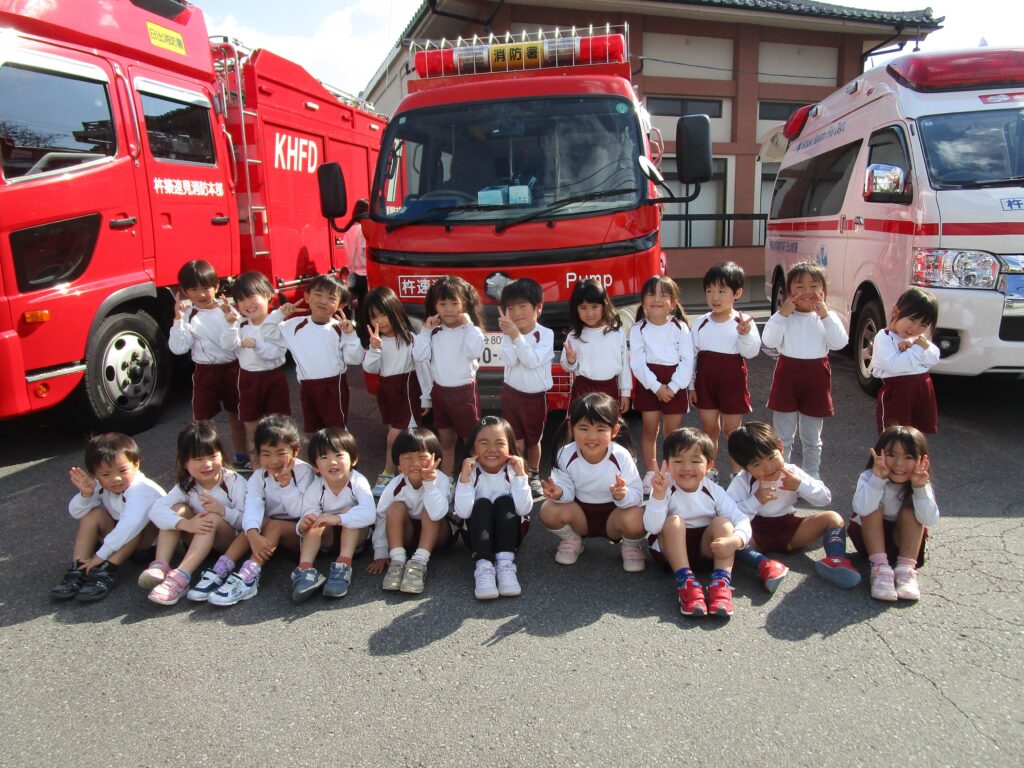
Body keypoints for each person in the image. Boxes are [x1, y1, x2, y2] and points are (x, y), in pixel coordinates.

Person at [726, 421, 860, 593]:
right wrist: (756, 500)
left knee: (832, 518)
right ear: (746, 468)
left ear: (780, 447)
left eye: (771, 457)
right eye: (756, 464)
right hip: (754, 532)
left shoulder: (791, 472)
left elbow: (825, 498)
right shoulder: (742, 480)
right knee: (729, 535)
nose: (768, 467)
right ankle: (765, 565)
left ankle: (836, 560)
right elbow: (728, 514)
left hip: (789, 529)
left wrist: (800, 485)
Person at [643, 428, 752, 617]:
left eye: (695, 461)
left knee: (723, 523)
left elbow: (741, 519)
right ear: (666, 464)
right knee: (674, 521)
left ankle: (721, 584)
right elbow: (652, 527)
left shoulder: (714, 490)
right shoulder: (663, 487)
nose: (686, 467)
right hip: (671, 552)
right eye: (678, 461)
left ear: (709, 465)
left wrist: (736, 541)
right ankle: (686, 582)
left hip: (705, 551)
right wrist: (658, 496)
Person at [208, 415, 314, 606]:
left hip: (301, 533)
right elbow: (253, 506)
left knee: (272, 524)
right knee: (255, 524)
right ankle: (220, 569)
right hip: (270, 538)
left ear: (295, 450)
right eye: (266, 454)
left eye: (280, 453)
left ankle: (248, 576)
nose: (273, 461)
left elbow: (299, 510)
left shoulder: (304, 472)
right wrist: (252, 534)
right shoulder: (258, 476)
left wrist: (286, 485)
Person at [49, 433, 165, 602]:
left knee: (131, 527)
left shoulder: (142, 489)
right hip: (118, 541)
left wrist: (99, 557)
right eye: (105, 474)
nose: (115, 479)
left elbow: (129, 527)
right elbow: (76, 513)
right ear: (95, 474)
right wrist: (86, 495)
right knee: (92, 514)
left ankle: (106, 570)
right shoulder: (99, 485)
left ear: (136, 464)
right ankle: (79, 568)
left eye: (123, 471)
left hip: (147, 546)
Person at [144, 421, 248, 606]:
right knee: (175, 510)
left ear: (222, 455)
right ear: (184, 463)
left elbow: (248, 521)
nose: (207, 464)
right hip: (198, 540)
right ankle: (160, 566)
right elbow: (156, 510)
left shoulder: (233, 481)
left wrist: (222, 511)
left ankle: (180, 577)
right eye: (198, 459)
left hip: (228, 542)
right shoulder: (187, 485)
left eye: (212, 456)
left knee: (210, 518)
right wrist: (186, 524)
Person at [539, 392, 646, 572]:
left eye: (600, 429)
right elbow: (565, 490)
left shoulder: (621, 456)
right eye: (583, 428)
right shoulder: (565, 454)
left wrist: (623, 495)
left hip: (614, 516)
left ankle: (630, 547)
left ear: (614, 431)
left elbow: (637, 495)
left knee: (637, 516)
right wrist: (558, 492)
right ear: (571, 428)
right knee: (548, 509)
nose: (592, 437)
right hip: (580, 516)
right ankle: (572, 540)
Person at [761, 261, 848, 480]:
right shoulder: (784, 316)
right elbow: (769, 340)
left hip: (816, 377)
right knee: (783, 435)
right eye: (799, 287)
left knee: (811, 437)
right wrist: (783, 313)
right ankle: (782, 474)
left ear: (823, 290)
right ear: (789, 291)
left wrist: (825, 315)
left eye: (813, 286)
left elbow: (839, 343)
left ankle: (811, 476)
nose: (807, 292)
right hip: (787, 375)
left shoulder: (827, 317)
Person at [169, 259, 248, 466]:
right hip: (205, 372)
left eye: (206, 288)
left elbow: (238, 342)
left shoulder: (229, 310)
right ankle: (208, 460)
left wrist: (232, 321)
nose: (201, 294)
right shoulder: (187, 315)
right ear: (185, 291)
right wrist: (178, 320)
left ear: (216, 286)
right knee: (202, 422)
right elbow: (178, 348)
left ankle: (242, 456)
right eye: (194, 289)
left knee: (237, 416)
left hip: (233, 369)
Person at [263, 274, 364, 433]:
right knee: (316, 431)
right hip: (307, 386)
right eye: (318, 294)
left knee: (337, 432)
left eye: (331, 298)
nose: (323, 301)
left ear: (341, 305)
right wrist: (280, 313)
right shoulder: (293, 325)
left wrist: (351, 335)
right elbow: (266, 332)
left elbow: (355, 359)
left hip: (333, 385)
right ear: (307, 297)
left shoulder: (340, 329)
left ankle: (344, 450)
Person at [357, 285, 431, 497]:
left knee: (395, 437)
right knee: (403, 437)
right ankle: (411, 474)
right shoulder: (375, 341)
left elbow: (423, 368)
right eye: (373, 317)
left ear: (395, 311)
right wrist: (375, 348)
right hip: (387, 392)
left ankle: (389, 473)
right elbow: (370, 368)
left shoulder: (409, 338)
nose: (379, 321)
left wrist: (426, 397)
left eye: (383, 314)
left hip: (406, 390)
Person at [690, 262, 761, 481]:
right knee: (709, 428)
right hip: (705, 383)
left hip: (733, 383)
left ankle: (737, 473)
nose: (715, 297)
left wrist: (744, 334)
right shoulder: (700, 323)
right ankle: (709, 470)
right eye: (709, 291)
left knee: (732, 430)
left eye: (722, 291)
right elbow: (691, 356)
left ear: (737, 293)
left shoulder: (743, 322)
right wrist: (691, 386)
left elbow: (751, 352)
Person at [850, 425, 938, 602]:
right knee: (872, 508)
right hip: (871, 540)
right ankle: (880, 570)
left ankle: (906, 571)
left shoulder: (921, 481)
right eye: (891, 455)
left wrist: (919, 488)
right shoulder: (869, 476)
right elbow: (861, 509)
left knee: (910, 511)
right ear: (879, 454)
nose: (899, 463)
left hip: (905, 543)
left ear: (921, 459)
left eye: (908, 457)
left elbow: (929, 519)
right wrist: (877, 480)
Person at [290, 428, 375, 603]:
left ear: (354, 459)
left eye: (339, 455)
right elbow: (306, 512)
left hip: (356, 539)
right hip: (327, 540)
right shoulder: (316, 486)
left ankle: (343, 566)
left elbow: (370, 513)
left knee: (349, 513)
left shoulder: (358, 481)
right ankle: (305, 570)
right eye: (324, 457)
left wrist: (338, 519)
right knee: (314, 520)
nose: (332, 462)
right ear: (316, 466)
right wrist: (303, 524)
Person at [412, 276, 485, 479]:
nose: (449, 309)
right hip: (440, 393)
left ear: (465, 304)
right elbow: (419, 356)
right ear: (434, 306)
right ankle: (448, 479)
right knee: (445, 441)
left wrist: (469, 326)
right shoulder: (433, 332)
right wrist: (425, 330)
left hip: (464, 393)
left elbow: (474, 351)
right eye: (442, 304)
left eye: (454, 303)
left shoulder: (472, 331)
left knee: (471, 441)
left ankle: (476, 479)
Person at [453, 416, 533, 600]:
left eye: (499, 443)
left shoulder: (513, 470)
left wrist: (521, 475)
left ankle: (505, 565)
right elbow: (463, 513)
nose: (491, 449)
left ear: (510, 447)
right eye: (484, 443)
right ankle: (483, 566)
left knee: (504, 502)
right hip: (477, 538)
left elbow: (523, 509)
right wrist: (464, 478)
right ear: (473, 449)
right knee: (482, 504)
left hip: (510, 536)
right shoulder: (470, 471)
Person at [629, 276, 693, 494]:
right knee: (650, 430)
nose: (656, 299)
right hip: (649, 384)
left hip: (675, 383)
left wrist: (673, 387)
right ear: (643, 301)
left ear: (673, 303)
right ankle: (651, 473)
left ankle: (671, 473)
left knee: (672, 433)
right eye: (651, 294)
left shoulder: (681, 327)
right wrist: (656, 387)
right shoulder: (638, 329)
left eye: (663, 295)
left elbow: (687, 361)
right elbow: (637, 363)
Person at [370, 428, 451, 595]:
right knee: (395, 507)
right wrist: (381, 551)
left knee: (429, 510)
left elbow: (437, 514)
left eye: (422, 457)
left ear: (435, 459)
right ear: (398, 464)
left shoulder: (441, 480)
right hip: (408, 535)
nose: (415, 463)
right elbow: (382, 515)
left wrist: (429, 484)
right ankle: (398, 561)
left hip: (438, 535)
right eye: (407, 458)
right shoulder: (395, 484)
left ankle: (419, 563)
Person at [221, 271, 290, 467]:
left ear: (267, 295)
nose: (247, 304)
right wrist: (230, 324)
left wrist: (257, 345)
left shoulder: (277, 324)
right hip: (247, 380)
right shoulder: (240, 324)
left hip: (274, 379)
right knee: (252, 428)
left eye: (252, 297)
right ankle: (258, 471)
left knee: (280, 428)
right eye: (241, 300)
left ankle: (285, 467)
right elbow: (227, 346)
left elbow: (277, 353)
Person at [497, 278, 553, 498]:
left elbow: (531, 361)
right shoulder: (508, 334)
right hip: (511, 394)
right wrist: (510, 336)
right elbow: (510, 360)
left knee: (533, 440)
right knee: (516, 441)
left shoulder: (545, 334)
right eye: (511, 308)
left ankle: (534, 474)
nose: (517, 313)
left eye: (522, 306)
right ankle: (518, 475)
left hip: (534, 397)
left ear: (538, 307)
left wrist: (515, 336)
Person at [870, 287, 940, 434]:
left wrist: (915, 345)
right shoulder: (884, 338)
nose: (915, 328)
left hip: (923, 391)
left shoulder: (917, 339)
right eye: (912, 320)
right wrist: (917, 349)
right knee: (893, 436)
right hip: (898, 394)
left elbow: (934, 357)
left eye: (923, 325)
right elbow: (894, 366)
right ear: (896, 311)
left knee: (916, 437)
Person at [560, 279, 630, 412]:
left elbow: (624, 363)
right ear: (576, 309)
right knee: (581, 424)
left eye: (594, 307)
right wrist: (570, 361)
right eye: (583, 308)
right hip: (583, 390)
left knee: (607, 424)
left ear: (604, 305)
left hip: (609, 390)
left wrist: (625, 392)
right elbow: (568, 367)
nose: (589, 313)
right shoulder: (574, 335)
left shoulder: (616, 331)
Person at [343, 199, 369, 311]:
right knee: (368, 309)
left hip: (353, 275)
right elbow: (366, 252)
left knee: (358, 310)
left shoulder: (349, 231)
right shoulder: (364, 230)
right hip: (366, 276)